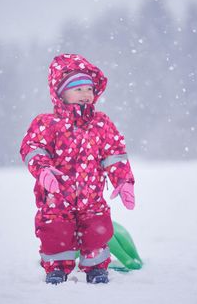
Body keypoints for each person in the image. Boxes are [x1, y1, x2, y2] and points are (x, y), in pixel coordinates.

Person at [20, 53, 135, 285]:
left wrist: (124, 181)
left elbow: (114, 154)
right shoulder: (47, 122)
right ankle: (56, 269)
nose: (86, 95)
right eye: (78, 89)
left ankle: (96, 268)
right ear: (61, 93)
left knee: (97, 231)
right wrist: (42, 169)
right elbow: (33, 147)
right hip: (56, 196)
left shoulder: (101, 123)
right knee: (55, 232)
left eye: (89, 89)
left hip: (91, 195)